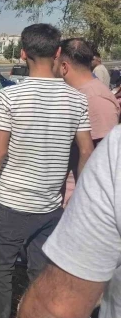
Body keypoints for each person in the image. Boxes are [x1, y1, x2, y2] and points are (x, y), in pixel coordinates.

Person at [0, 24, 95, 318]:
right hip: (50, 206)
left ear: (22, 53)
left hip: (11, 202)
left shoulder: (10, 97)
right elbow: (86, 151)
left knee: (0, 269)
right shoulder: (77, 100)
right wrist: (79, 194)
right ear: (57, 53)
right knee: (40, 271)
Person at [15, 125, 121, 318]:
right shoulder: (83, 101)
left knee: (4, 263)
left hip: (18, 197)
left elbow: (55, 317)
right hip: (55, 197)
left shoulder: (118, 149)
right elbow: (86, 150)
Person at [56, 39, 120, 207]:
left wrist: (80, 199)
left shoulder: (94, 98)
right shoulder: (79, 93)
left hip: (78, 203)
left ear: (64, 66)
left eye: (54, 61)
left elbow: (101, 156)